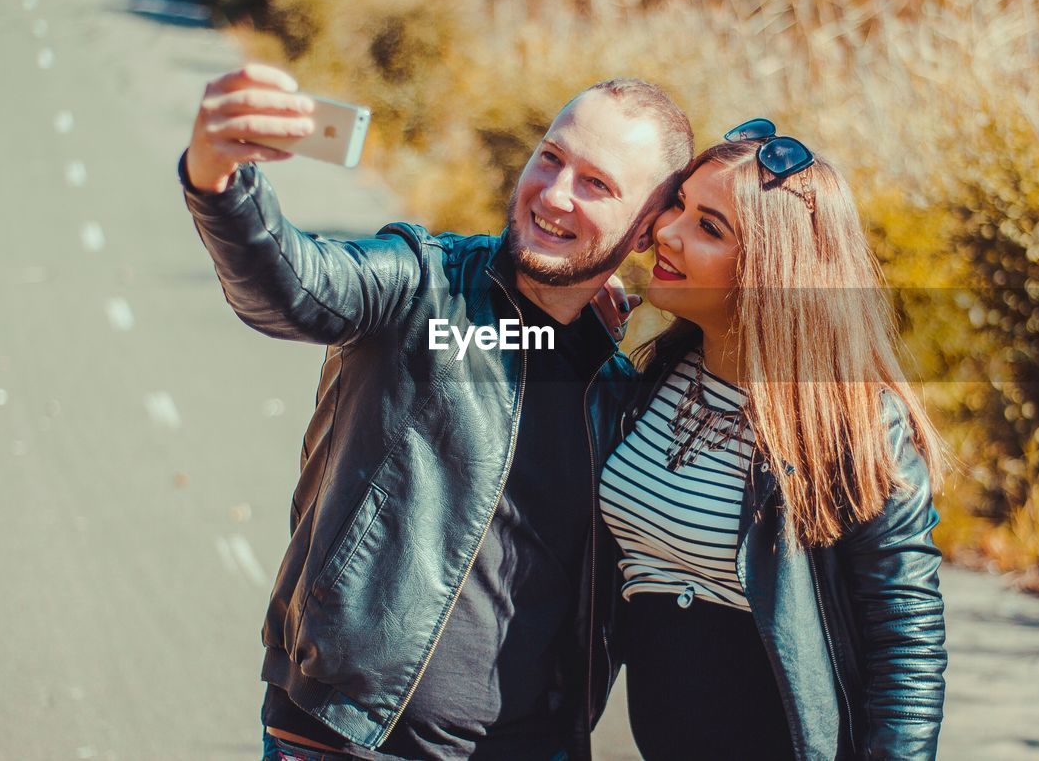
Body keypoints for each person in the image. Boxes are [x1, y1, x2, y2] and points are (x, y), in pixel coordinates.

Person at [177, 64, 692, 760]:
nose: (555, 193)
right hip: (348, 736)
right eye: (551, 158)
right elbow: (290, 284)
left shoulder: (617, 393)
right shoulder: (426, 287)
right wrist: (219, 181)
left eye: (597, 183)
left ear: (643, 233)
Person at [599, 119, 947, 760]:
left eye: (709, 226)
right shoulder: (655, 379)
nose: (664, 233)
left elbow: (907, 638)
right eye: (678, 203)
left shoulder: (855, 425)